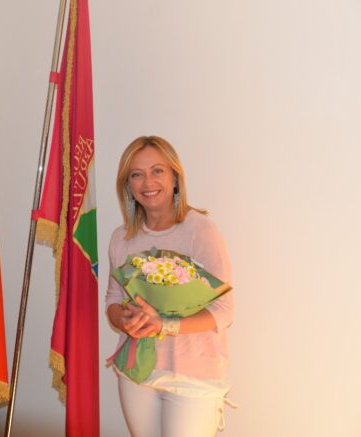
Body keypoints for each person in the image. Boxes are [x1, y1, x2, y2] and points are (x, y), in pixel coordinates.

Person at [106, 136, 234, 437]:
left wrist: (165, 325)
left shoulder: (200, 230)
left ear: (175, 177)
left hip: (194, 379)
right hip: (137, 375)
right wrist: (124, 319)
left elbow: (225, 310)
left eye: (157, 171)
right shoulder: (121, 237)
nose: (148, 182)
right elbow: (112, 299)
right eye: (136, 174)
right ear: (128, 185)